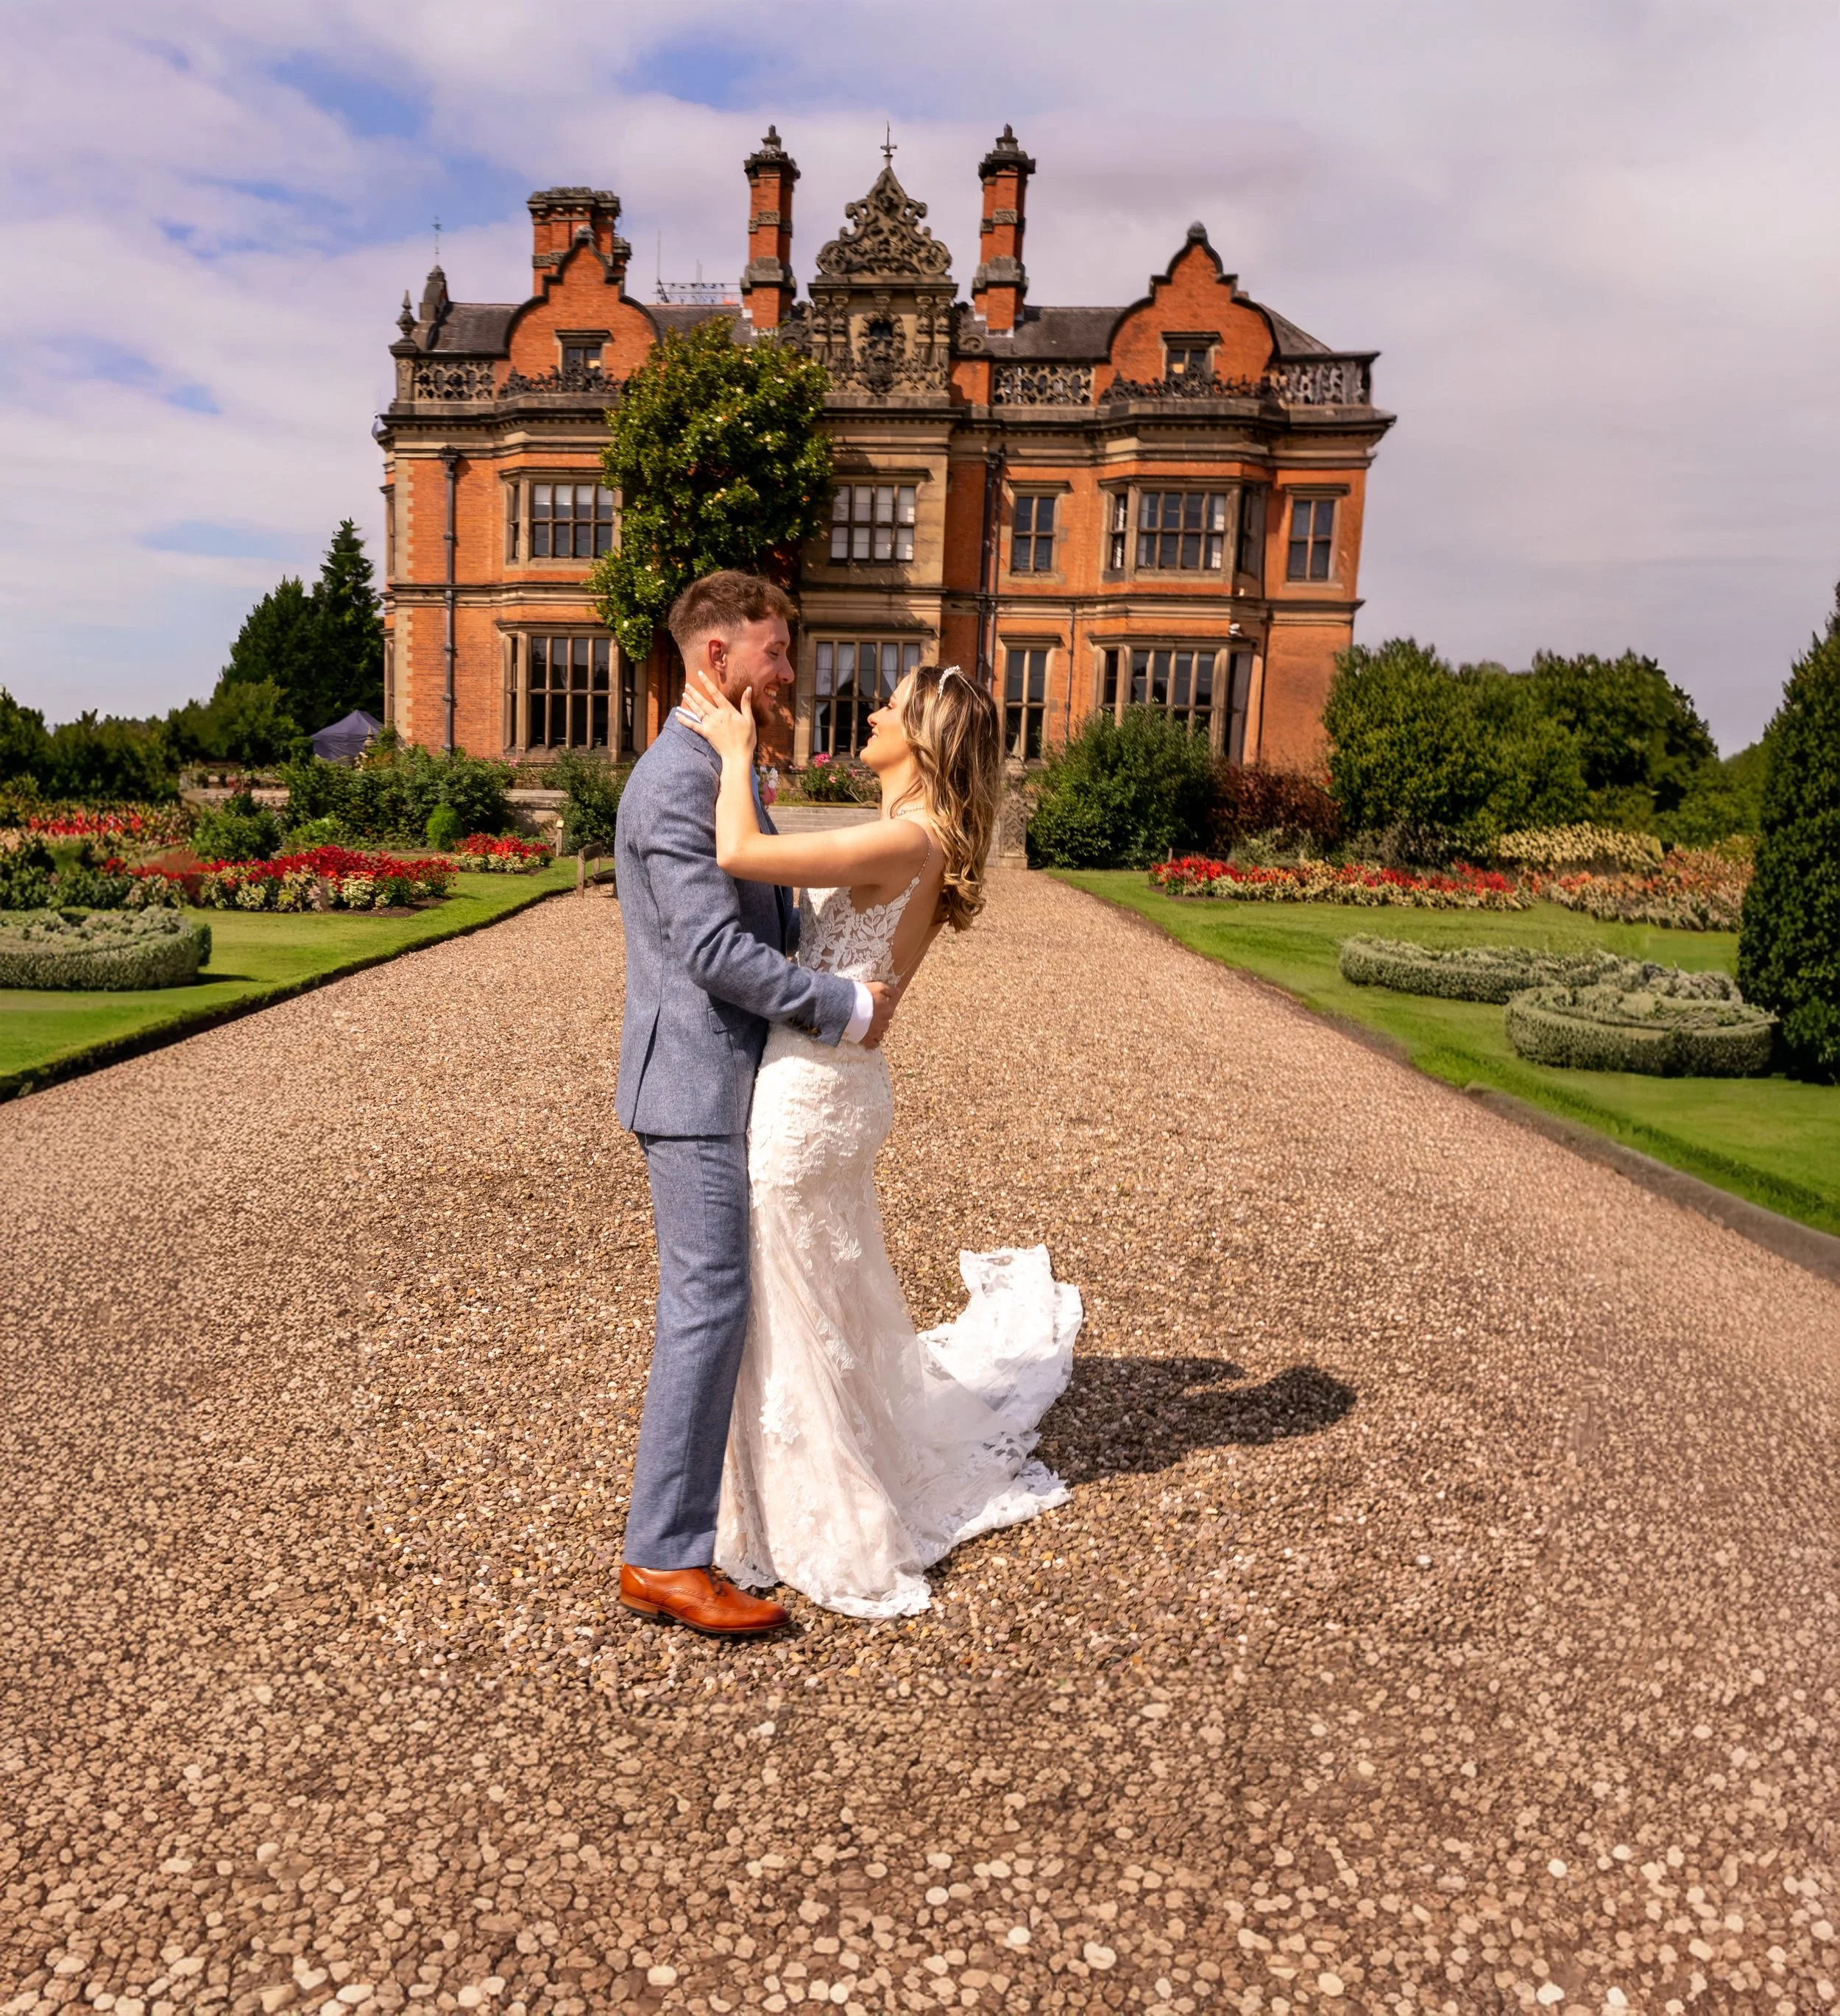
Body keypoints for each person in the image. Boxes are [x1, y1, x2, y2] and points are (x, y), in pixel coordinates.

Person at [676, 646, 1080, 1620]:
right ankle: (803, 1464)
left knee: (786, 1289)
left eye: (888, 709)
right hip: (841, 1082)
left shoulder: (908, 839)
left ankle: (811, 1504)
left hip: (814, 1091)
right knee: (821, 1285)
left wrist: (733, 751)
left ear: (923, 741)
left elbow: (737, 853)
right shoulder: (913, 832)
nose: (870, 717)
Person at [612, 572, 896, 1640]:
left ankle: (693, 1531)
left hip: (730, 1073)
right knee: (707, 1306)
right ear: (714, 659)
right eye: (774, 653)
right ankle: (663, 1556)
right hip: (691, 1084)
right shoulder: (680, 779)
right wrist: (840, 1006)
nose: (791, 672)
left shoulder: (722, 762)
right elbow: (713, 949)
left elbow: (761, 912)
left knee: (722, 1304)